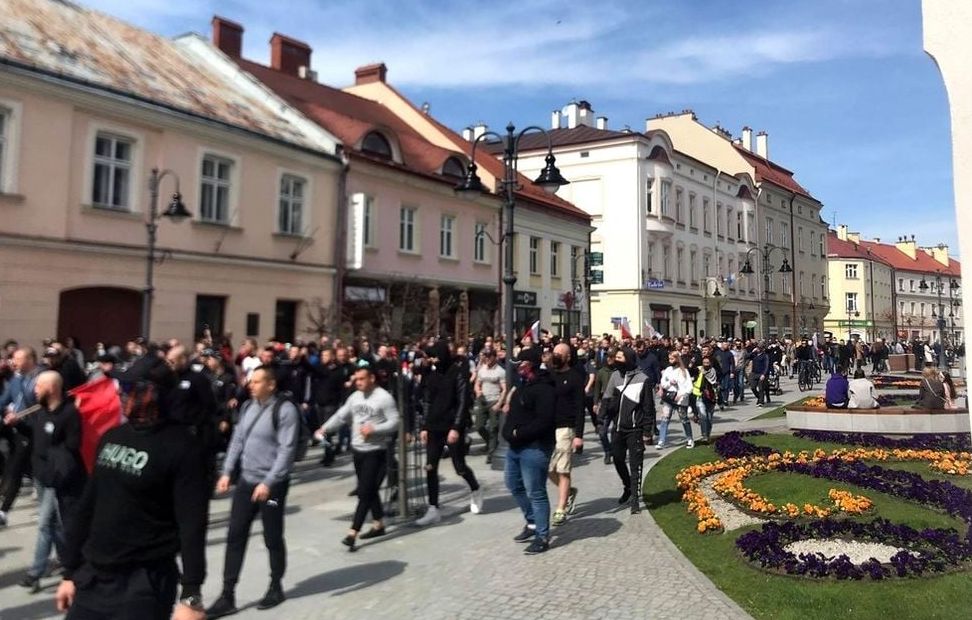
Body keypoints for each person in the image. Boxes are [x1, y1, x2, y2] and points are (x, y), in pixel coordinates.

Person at [55, 354, 208, 620]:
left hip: (143, 584)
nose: (120, 395)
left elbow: (192, 523)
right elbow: (89, 504)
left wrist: (191, 595)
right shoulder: (112, 437)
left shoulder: (183, 447)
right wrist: (69, 571)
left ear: (152, 394)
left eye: (127, 389)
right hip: (93, 578)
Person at [206, 366, 300, 618]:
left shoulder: (285, 410)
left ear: (271, 385)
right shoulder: (248, 407)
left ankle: (275, 585)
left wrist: (268, 482)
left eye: (257, 381)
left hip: (272, 486)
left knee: (272, 536)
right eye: (251, 381)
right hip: (247, 482)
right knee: (235, 535)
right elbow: (238, 440)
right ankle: (227, 594)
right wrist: (227, 472)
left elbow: (286, 451)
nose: (251, 385)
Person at [6, 371, 85, 592]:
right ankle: (67, 558)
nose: (35, 390)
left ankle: (35, 572)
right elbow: (34, 434)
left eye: (39, 387)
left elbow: (72, 445)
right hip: (40, 475)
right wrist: (17, 424)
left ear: (51, 389)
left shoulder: (69, 414)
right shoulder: (41, 411)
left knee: (44, 524)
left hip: (55, 478)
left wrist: (53, 453)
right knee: (55, 524)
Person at [317, 363, 399, 551]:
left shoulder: (384, 398)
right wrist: (325, 428)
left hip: (376, 450)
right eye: (356, 379)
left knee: (364, 492)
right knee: (369, 490)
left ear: (372, 378)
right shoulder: (355, 397)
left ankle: (352, 532)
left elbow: (395, 422)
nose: (358, 382)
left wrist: (375, 428)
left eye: (362, 379)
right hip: (357, 450)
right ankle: (378, 524)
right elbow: (341, 416)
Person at [414, 341, 483, 526]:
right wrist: (425, 426)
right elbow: (426, 400)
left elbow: (462, 401)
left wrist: (456, 427)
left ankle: (475, 489)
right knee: (430, 466)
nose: (434, 360)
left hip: (452, 424)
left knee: (459, 465)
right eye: (432, 357)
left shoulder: (457, 372)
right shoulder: (432, 374)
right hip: (434, 425)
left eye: (436, 357)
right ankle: (433, 507)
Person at [503, 346, 556, 554]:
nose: (518, 368)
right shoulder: (521, 385)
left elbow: (544, 421)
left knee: (536, 491)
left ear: (530, 365)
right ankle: (532, 522)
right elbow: (512, 413)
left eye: (521, 364)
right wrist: (509, 432)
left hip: (535, 447)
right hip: (514, 447)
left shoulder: (544, 388)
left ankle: (542, 536)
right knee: (513, 484)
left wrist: (519, 433)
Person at [600, 348, 655, 514]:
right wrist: (600, 417)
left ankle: (635, 501)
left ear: (629, 359)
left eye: (619, 357)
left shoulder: (643, 379)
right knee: (617, 458)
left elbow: (648, 408)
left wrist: (647, 431)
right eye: (615, 357)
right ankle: (627, 486)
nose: (616, 360)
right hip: (617, 428)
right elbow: (607, 397)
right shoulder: (615, 376)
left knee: (635, 464)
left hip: (635, 429)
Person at [0, 346, 41, 526]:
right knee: (16, 466)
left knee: (18, 468)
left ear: (30, 360)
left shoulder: (39, 381)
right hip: (16, 430)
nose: (13, 362)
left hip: (33, 433)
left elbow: (45, 414)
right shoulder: (16, 380)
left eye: (18, 358)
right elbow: (3, 402)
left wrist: (20, 420)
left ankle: (4, 510)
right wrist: (5, 414)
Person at [548, 343, 585, 526]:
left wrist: (579, 435)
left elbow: (580, 408)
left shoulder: (575, 378)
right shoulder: (549, 375)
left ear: (568, 357)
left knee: (563, 469)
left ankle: (561, 508)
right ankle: (569, 491)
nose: (555, 356)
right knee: (548, 469)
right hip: (549, 427)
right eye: (554, 352)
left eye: (559, 353)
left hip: (566, 428)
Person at [472, 348, 506, 464]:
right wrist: (478, 391)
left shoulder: (500, 371)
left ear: (494, 357)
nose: (486, 358)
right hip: (482, 401)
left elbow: (504, 389)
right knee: (479, 426)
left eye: (488, 356)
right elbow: (477, 383)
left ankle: (491, 453)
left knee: (493, 428)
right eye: (484, 356)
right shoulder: (482, 369)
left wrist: (499, 403)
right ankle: (490, 443)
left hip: (494, 400)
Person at [656, 352, 694, 449]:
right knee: (665, 418)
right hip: (669, 397)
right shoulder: (668, 370)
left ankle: (690, 438)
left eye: (672, 359)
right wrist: (669, 383)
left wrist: (682, 395)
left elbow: (689, 387)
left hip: (680, 399)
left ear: (677, 359)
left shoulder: (684, 371)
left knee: (684, 419)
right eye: (669, 359)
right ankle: (661, 440)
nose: (670, 361)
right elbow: (663, 383)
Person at [693, 357, 718, 443]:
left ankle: (708, 434)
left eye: (707, 363)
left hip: (711, 397)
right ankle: (704, 435)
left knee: (709, 418)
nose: (706, 364)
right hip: (700, 396)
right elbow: (691, 372)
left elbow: (715, 381)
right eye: (704, 363)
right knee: (703, 417)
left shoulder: (713, 371)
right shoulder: (699, 370)